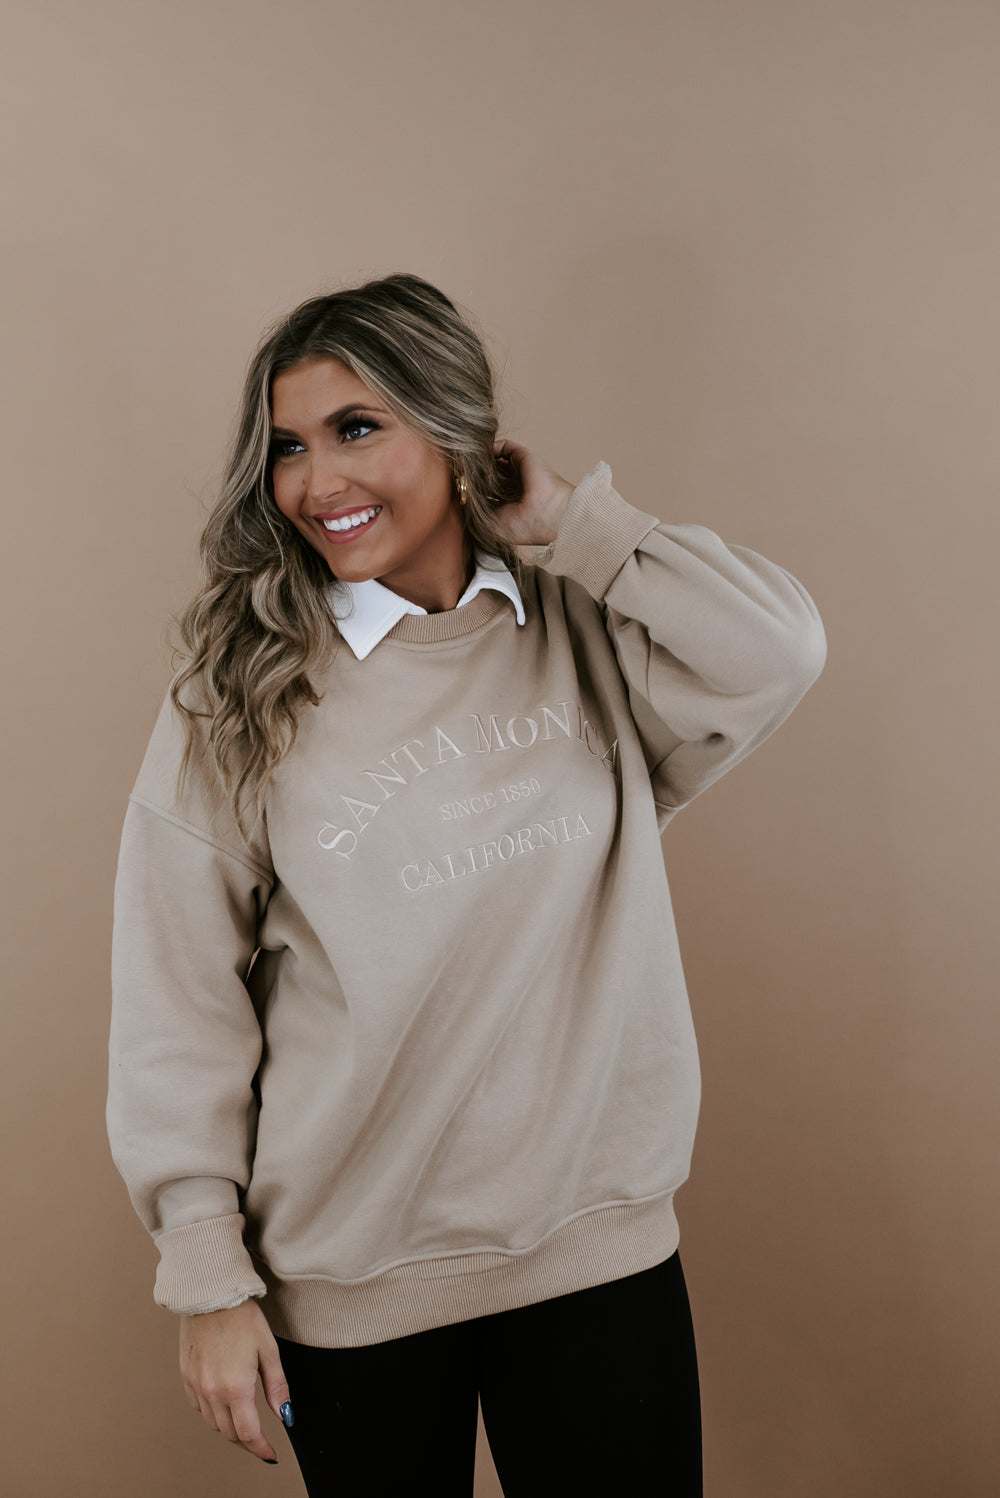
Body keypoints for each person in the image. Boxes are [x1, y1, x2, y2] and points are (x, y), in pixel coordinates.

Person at [107, 272, 826, 1496]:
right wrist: (207, 1277)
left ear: (456, 431)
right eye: (288, 446)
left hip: (595, 1247)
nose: (317, 482)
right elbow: (179, 1004)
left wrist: (577, 522)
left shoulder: (584, 627)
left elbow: (779, 650)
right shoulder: (237, 689)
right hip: (352, 1277)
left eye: (357, 427)